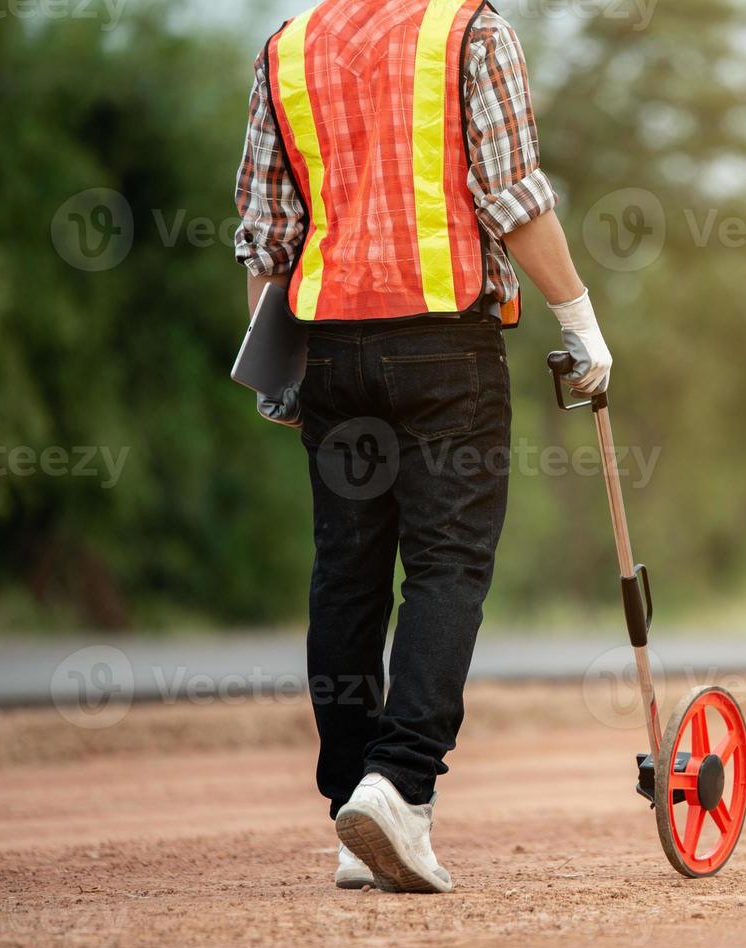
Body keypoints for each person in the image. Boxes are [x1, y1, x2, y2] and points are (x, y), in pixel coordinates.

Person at [233, 0, 611, 894]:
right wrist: (581, 323)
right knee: (447, 565)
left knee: (348, 572)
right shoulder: (472, 31)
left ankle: (350, 811)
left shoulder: (287, 47)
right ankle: (397, 789)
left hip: (329, 350)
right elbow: (512, 198)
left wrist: (277, 365)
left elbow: (266, 233)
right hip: (445, 347)